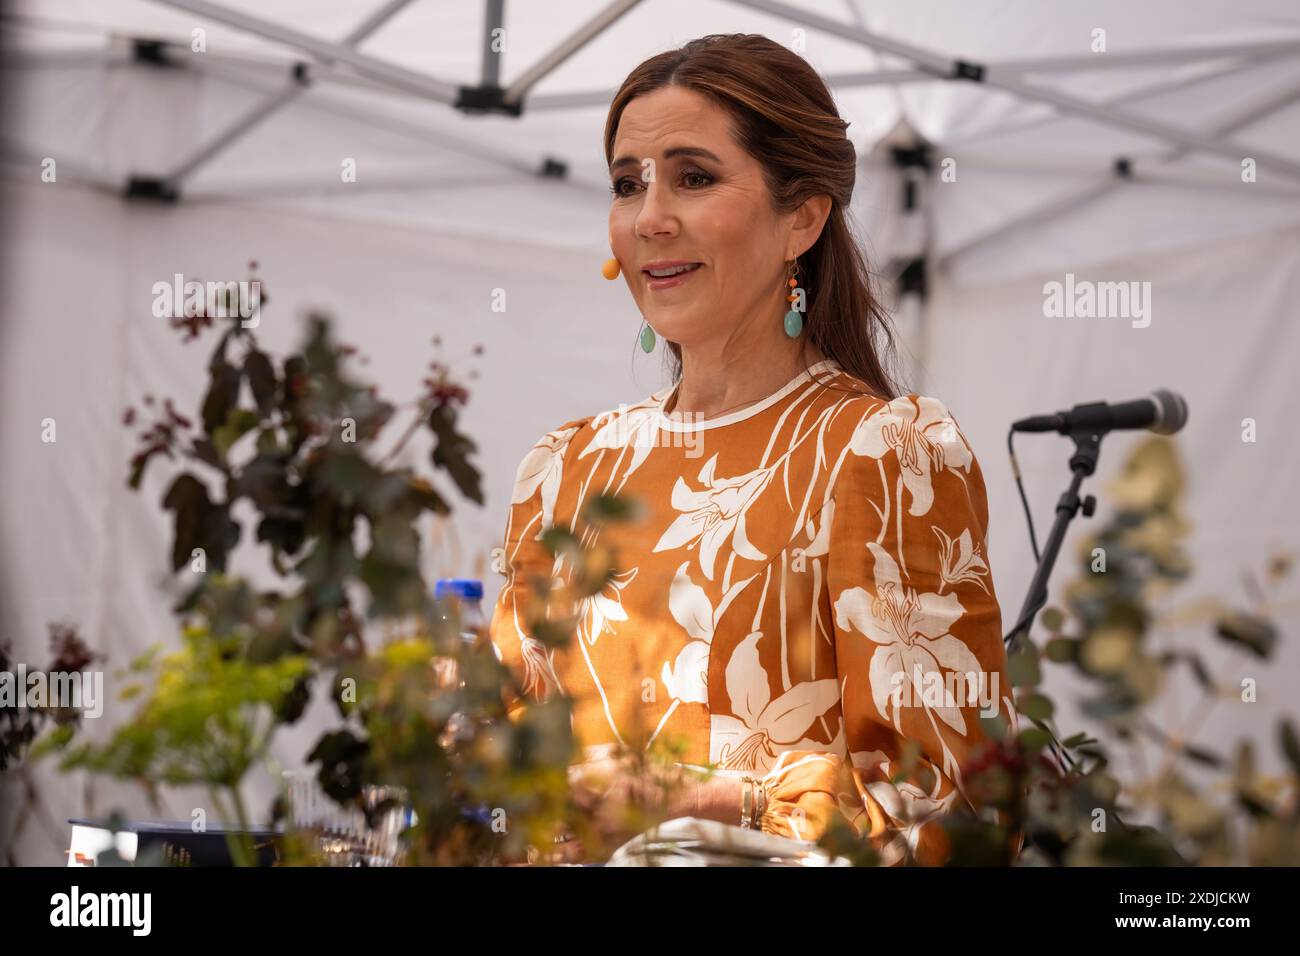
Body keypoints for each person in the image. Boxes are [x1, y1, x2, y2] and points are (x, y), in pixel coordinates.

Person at [488, 33, 1018, 866]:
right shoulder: (567, 468)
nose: (650, 218)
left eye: (694, 177)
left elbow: (964, 814)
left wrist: (703, 803)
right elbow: (502, 778)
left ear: (801, 217)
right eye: (628, 185)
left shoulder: (883, 452)